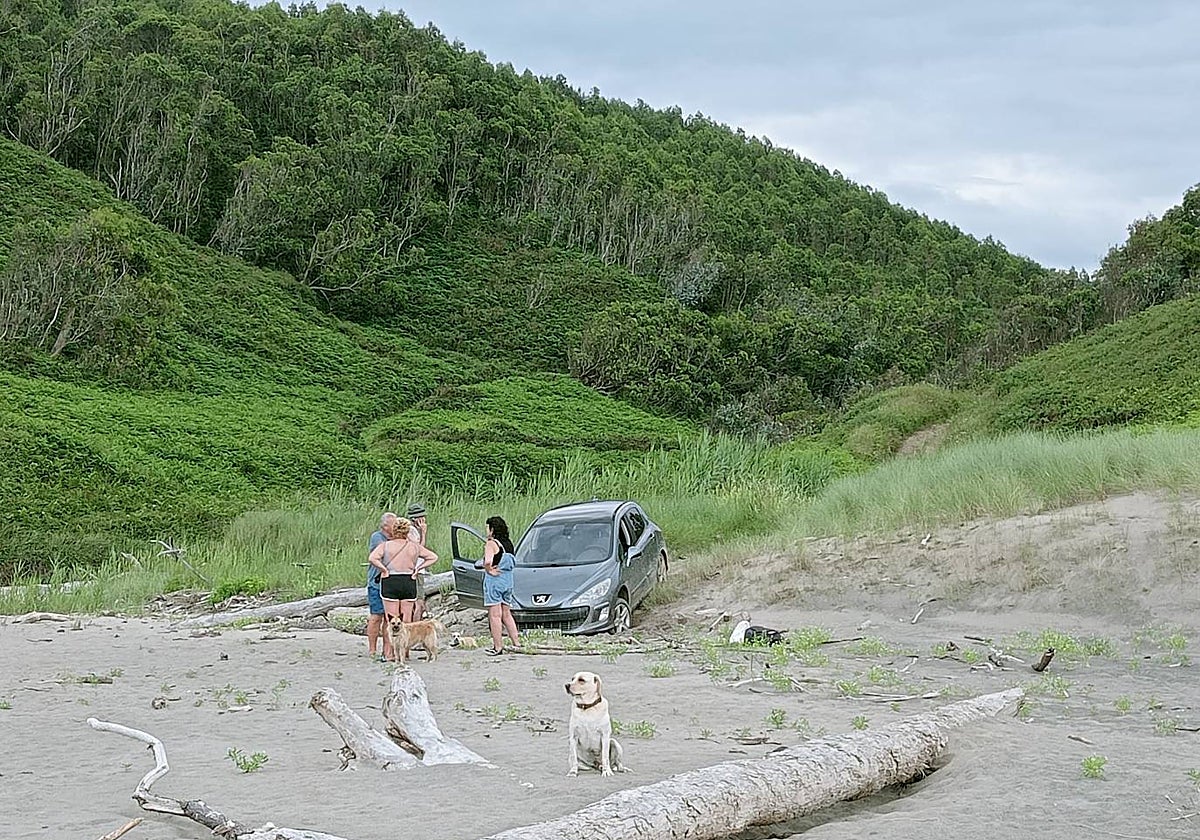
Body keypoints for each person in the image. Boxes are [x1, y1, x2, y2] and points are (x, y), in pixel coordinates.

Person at [368, 517, 438, 624]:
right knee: (406, 618)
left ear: (394, 530)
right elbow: (433, 557)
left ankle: (394, 640)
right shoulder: (414, 547)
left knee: (392, 618)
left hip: (390, 579)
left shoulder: (386, 545)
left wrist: (384, 569)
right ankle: (406, 640)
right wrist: (418, 568)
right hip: (408, 579)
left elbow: (372, 558)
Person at [482, 515, 520, 656]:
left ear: (492, 529)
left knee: (495, 615)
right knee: (507, 613)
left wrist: (488, 570)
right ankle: (516, 642)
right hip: (508, 580)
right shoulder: (508, 544)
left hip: (495, 580)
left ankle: (498, 646)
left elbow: (488, 561)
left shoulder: (491, 544)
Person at [366, 512, 397, 660]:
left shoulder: (397, 539)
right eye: (394, 524)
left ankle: (387, 650)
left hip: (392, 583)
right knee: (376, 616)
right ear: (385, 526)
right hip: (376, 583)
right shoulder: (377, 537)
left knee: (388, 618)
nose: (396, 526)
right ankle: (372, 649)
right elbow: (385, 552)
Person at [406, 502, 430, 621]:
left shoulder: (414, 530)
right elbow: (419, 549)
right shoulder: (411, 531)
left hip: (417, 569)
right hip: (416, 569)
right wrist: (424, 533)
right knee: (418, 602)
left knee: (417, 602)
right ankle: (415, 627)